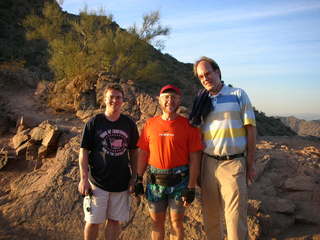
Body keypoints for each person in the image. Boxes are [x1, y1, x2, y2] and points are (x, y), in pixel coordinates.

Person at [190, 56, 256, 240]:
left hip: (233, 163)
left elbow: (250, 129)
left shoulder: (238, 94)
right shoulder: (200, 101)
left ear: (217, 72)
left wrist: (250, 164)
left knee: (235, 220)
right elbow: (196, 134)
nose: (205, 78)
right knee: (210, 219)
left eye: (208, 73)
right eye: (201, 76)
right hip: (208, 164)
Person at [135, 84, 203, 240]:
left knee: (176, 222)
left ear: (179, 100)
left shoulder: (189, 126)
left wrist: (191, 187)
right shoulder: (150, 124)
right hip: (155, 181)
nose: (170, 100)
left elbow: (195, 158)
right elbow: (143, 153)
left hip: (180, 182)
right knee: (156, 222)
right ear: (160, 101)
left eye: (174, 97)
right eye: (166, 97)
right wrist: (138, 179)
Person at [78, 83, 139, 240]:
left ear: (123, 101)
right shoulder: (94, 122)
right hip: (97, 182)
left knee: (114, 221)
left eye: (118, 97)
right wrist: (83, 178)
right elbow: (84, 151)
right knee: (92, 221)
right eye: (111, 97)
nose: (115, 100)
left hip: (121, 183)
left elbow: (134, 151)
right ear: (104, 99)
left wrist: (134, 178)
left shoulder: (129, 124)